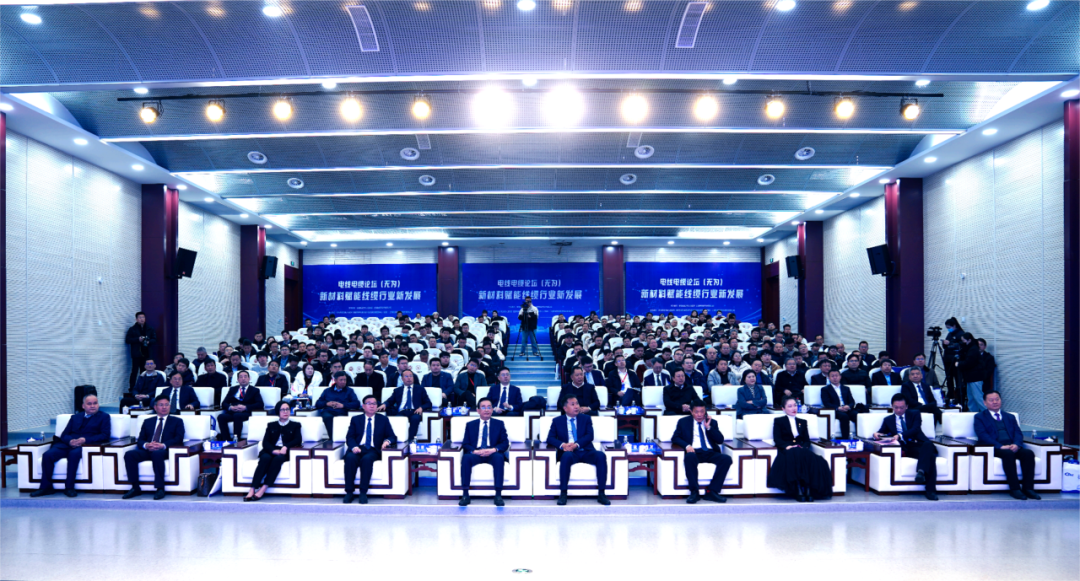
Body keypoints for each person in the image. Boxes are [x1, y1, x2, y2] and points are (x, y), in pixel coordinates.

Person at [30, 395, 111, 498]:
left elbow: (105, 435)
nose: (92, 406)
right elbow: (64, 434)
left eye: (95, 403)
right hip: (67, 444)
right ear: (83, 406)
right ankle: (46, 487)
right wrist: (70, 441)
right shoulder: (75, 417)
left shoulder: (104, 417)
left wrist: (85, 440)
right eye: (89, 404)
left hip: (85, 445)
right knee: (48, 455)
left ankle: (69, 487)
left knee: (73, 455)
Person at [973, 391, 1040, 500]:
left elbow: (1018, 433)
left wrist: (1016, 444)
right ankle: (1015, 489)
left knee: (1028, 453)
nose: (995, 402)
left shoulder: (1010, 416)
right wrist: (1000, 446)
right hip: (994, 447)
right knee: (1008, 454)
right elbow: (982, 435)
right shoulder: (979, 417)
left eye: (997, 399)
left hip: (1011, 446)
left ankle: (1028, 488)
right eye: (991, 400)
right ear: (985, 403)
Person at [545, 396, 610, 506]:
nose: (576, 406)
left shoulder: (586, 418)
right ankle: (563, 493)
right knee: (566, 456)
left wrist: (576, 445)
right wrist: (563, 445)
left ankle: (602, 494)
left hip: (586, 451)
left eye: (577, 403)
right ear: (565, 408)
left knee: (601, 456)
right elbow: (550, 438)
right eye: (572, 404)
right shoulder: (557, 421)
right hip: (569, 453)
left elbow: (590, 436)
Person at [767, 396, 833, 502]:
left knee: (818, 460)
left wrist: (803, 447)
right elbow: (777, 439)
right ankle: (798, 490)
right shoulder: (779, 421)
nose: (794, 408)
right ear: (783, 409)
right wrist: (788, 446)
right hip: (787, 450)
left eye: (795, 405)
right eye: (790, 406)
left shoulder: (803, 421)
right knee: (795, 454)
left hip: (801, 449)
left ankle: (808, 488)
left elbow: (807, 440)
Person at [873, 394, 939, 501]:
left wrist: (899, 436)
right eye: (896, 407)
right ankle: (930, 489)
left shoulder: (915, 414)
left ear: (907, 406)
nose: (899, 410)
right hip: (906, 448)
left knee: (928, 445)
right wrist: (876, 434)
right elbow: (881, 432)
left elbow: (915, 429)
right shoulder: (888, 419)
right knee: (930, 457)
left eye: (901, 407)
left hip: (919, 444)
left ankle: (921, 472)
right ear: (892, 406)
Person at [122, 395, 185, 500]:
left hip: (165, 450)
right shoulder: (148, 421)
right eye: (161, 405)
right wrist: (146, 445)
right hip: (148, 450)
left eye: (166, 405)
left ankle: (160, 488)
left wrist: (163, 445)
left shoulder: (177, 421)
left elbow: (178, 438)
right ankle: (135, 487)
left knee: (157, 454)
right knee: (129, 454)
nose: (164, 407)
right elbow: (140, 440)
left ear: (170, 406)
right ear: (155, 407)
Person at [671, 403, 732, 503]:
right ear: (691, 412)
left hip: (710, 452)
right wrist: (687, 446)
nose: (699, 415)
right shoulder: (683, 422)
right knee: (689, 457)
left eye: (702, 412)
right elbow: (675, 438)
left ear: (705, 412)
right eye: (696, 412)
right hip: (694, 452)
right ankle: (694, 492)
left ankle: (712, 491)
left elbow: (720, 440)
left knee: (726, 459)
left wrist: (709, 427)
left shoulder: (712, 422)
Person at [343, 395, 398, 504]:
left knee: (367, 460)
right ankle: (349, 492)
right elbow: (350, 437)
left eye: (374, 403)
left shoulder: (383, 419)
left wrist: (387, 441)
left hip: (373, 450)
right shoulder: (355, 419)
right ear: (363, 406)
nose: (372, 406)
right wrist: (354, 447)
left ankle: (363, 492)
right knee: (350, 458)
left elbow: (392, 436)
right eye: (369, 403)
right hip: (358, 447)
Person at [244, 400, 302, 501]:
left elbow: (298, 439)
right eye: (282, 410)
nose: (285, 412)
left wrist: (286, 447)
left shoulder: (295, 425)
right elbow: (265, 442)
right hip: (270, 450)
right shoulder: (271, 425)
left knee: (277, 460)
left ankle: (263, 488)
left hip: (284, 452)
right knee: (265, 458)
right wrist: (272, 450)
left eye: (287, 409)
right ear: (278, 411)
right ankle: (252, 488)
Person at [458, 398, 510, 507]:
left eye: (489, 407)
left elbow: (505, 443)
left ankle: (498, 495)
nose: (486, 410)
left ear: (492, 410)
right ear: (478, 410)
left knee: (499, 458)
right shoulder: (470, 425)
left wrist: (493, 450)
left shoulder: (499, 424)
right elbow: (465, 443)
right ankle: (465, 494)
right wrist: (475, 451)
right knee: (466, 458)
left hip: (492, 453)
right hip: (476, 453)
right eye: (483, 407)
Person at [379, 369, 431, 441]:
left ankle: (410, 440)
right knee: (397, 419)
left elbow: (428, 403)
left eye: (411, 376)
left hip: (415, 411)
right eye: (406, 376)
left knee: (415, 419)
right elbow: (390, 401)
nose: (409, 378)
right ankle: (397, 440)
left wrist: (421, 408)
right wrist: (384, 404)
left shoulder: (420, 389)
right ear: (402, 379)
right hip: (402, 412)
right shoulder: (397, 390)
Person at [217, 371, 265, 441]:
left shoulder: (254, 390)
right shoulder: (232, 389)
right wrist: (230, 407)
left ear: (249, 378)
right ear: (238, 380)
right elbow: (224, 403)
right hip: (233, 412)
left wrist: (246, 407)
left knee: (237, 415)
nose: (243, 379)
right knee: (221, 417)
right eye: (241, 377)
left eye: (245, 377)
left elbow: (260, 404)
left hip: (246, 413)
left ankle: (236, 439)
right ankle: (226, 440)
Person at [821, 369, 866, 439]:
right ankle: (845, 438)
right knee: (844, 416)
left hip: (847, 409)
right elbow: (826, 403)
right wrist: (838, 408)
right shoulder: (825, 389)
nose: (835, 378)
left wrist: (848, 406)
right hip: (835, 410)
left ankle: (859, 437)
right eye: (832, 376)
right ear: (829, 378)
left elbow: (852, 401)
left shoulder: (846, 388)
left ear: (840, 377)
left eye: (836, 376)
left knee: (857, 415)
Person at [314, 371, 360, 440]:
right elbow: (318, 403)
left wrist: (343, 405)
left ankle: (339, 439)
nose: (343, 382)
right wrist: (327, 403)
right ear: (335, 380)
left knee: (340, 419)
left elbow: (356, 403)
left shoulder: (349, 391)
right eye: (341, 380)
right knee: (328, 417)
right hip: (328, 411)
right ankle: (333, 439)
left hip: (342, 412)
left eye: (344, 380)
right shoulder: (327, 391)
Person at [125, 311, 156, 390]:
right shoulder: (132, 329)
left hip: (147, 354)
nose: (142, 319)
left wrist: (148, 341)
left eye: (143, 317)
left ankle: (145, 388)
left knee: (145, 371)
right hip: (136, 354)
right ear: (136, 319)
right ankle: (132, 388)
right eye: (140, 317)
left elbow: (154, 339)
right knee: (134, 371)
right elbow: (127, 340)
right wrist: (138, 339)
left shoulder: (150, 328)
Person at [957, 333, 986, 412]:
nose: (963, 342)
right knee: (971, 398)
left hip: (975, 377)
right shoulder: (969, 348)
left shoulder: (973, 349)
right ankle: (972, 413)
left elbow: (969, 363)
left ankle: (987, 414)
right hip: (970, 377)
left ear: (969, 340)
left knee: (978, 397)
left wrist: (959, 364)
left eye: (964, 340)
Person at [941, 318, 964, 400]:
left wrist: (950, 343)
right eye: (947, 327)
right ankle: (950, 394)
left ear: (954, 325)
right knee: (949, 378)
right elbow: (945, 347)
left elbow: (961, 345)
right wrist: (944, 343)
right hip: (947, 359)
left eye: (949, 327)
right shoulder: (949, 334)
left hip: (955, 360)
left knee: (957, 379)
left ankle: (958, 397)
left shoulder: (961, 333)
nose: (948, 329)